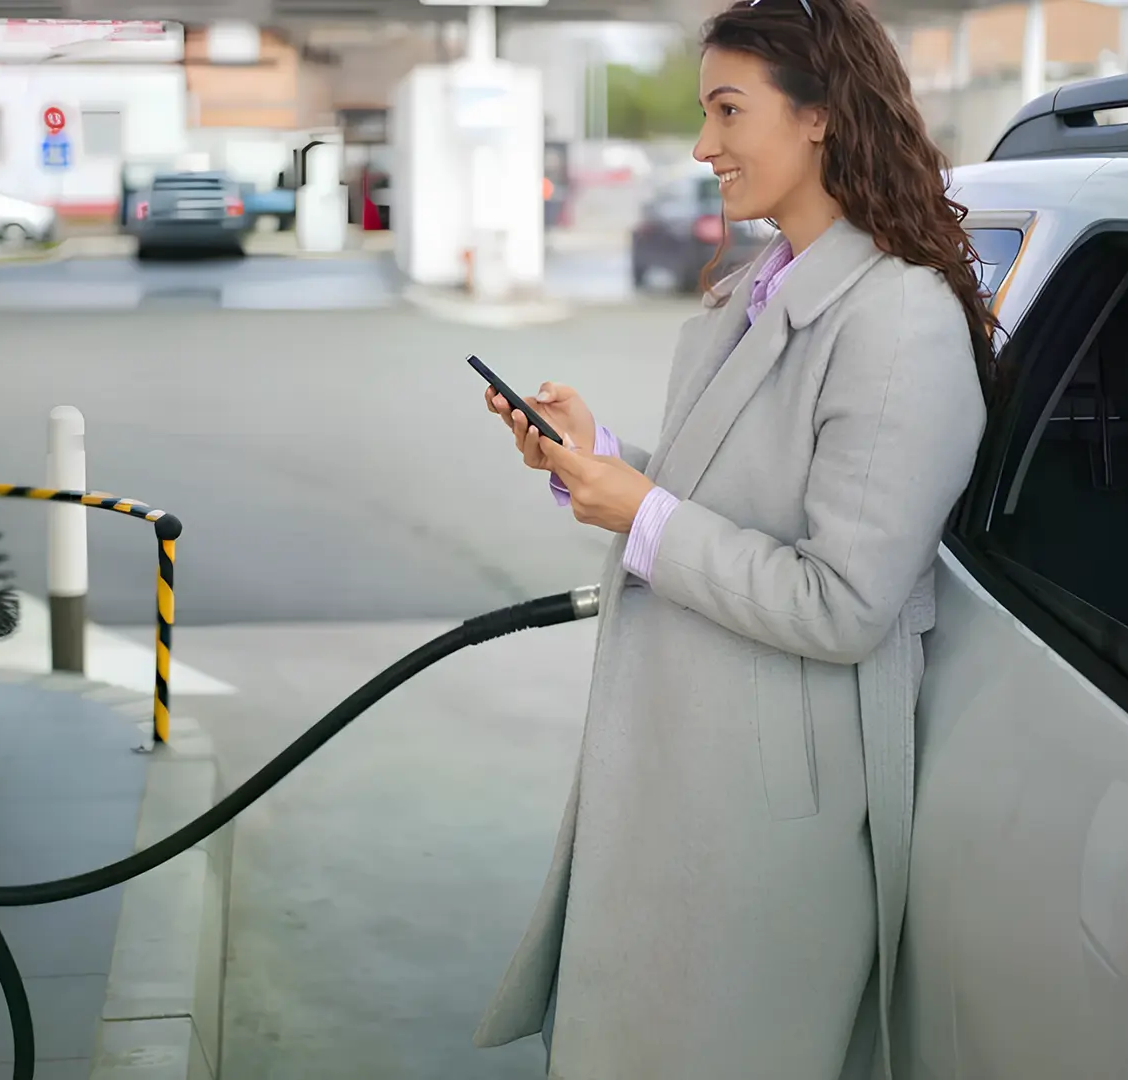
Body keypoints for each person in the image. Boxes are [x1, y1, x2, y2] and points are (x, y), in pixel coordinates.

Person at [470, 1, 998, 1077]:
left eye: (726, 110)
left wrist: (640, 509)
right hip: (688, 779)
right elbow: (725, 498)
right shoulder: (757, 293)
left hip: (766, 824)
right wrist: (599, 458)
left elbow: (846, 601)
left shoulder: (895, 320)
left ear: (820, 116)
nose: (703, 144)